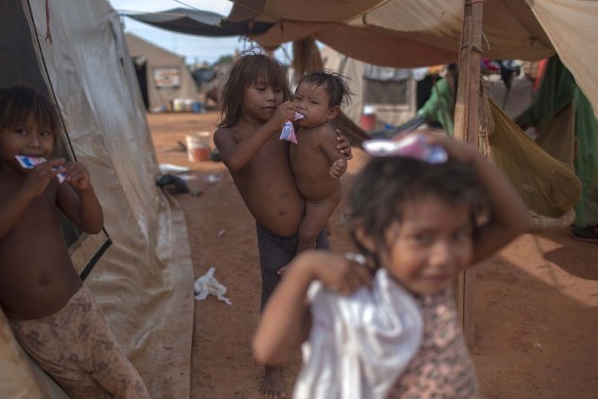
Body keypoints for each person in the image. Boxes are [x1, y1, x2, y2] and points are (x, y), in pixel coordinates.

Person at [253, 131, 530, 398]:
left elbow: (515, 222)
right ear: (368, 235)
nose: (444, 256)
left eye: (457, 234)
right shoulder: (352, 286)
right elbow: (269, 350)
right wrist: (304, 268)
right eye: (422, 237)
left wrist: (471, 157)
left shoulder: (429, 275)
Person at [0, 85, 150, 398]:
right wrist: (26, 192)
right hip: (29, 325)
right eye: (21, 131)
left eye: (45, 133)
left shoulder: (52, 180)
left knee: (123, 381)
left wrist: (85, 189)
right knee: (85, 391)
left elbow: (92, 224)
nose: (35, 143)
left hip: (77, 306)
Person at [213, 50, 352, 398]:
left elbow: (308, 159)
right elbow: (237, 160)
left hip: (309, 226)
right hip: (275, 238)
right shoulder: (227, 135)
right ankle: (273, 368)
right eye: (261, 90)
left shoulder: (290, 127)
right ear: (238, 92)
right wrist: (274, 125)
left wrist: (338, 146)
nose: (273, 98)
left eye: (277, 90)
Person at [289, 71, 351, 257]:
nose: (302, 106)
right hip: (306, 195)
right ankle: (322, 223)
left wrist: (339, 165)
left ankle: (300, 264)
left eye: (313, 102)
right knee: (311, 222)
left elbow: (339, 158)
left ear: (331, 112)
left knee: (306, 234)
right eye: (298, 98)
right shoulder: (297, 126)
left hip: (322, 199)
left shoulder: (324, 133)